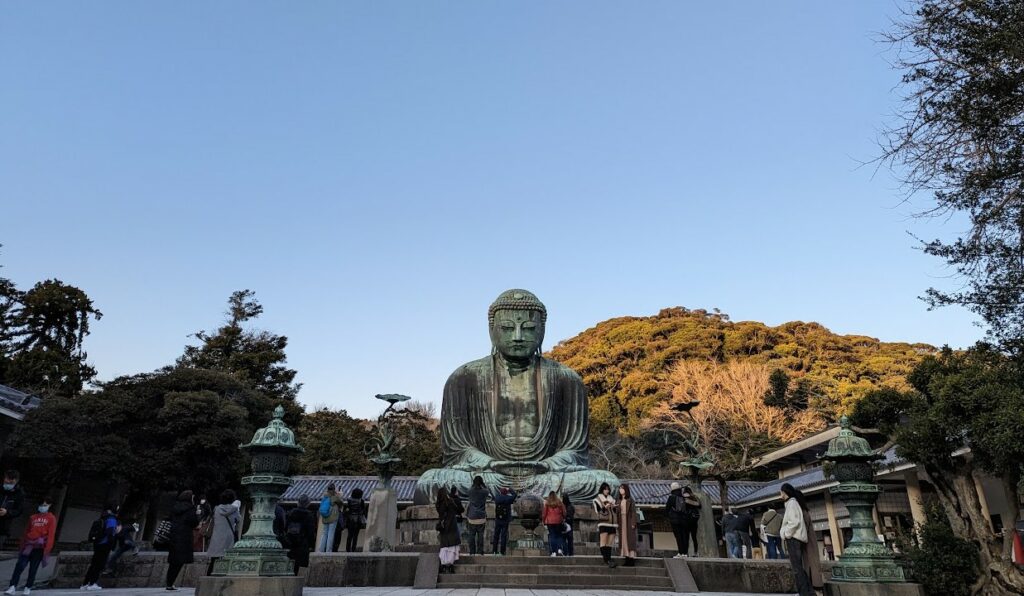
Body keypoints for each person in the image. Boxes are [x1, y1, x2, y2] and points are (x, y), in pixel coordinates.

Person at [5, 495, 56, 595]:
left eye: (45, 505)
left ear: (49, 505)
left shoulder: (51, 518)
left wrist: (47, 549)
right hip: (28, 545)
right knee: (19, 566)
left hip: (39, 548)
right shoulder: (33, 517)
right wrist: (22, 545)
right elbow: (26, 531)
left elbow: (51, 534)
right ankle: (12, 586)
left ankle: (28, 587)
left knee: (33, 568)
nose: (42, 507)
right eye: (41, 504)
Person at [780, 483, 814, 596]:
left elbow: (794, 522)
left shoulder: (792, 503)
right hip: (796, 538)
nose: (780, 495)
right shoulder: (793, 503)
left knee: (797, 568)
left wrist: (786, 534)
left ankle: (804, 592)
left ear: (785, 492)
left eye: (781, 492)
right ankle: (808, 592)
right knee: (798, 567)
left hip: (794, 539)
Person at [80, 503, 118, 591]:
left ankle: (85, 583)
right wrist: (112, 545)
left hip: (97, 543)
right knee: (100, 564)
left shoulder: (102, 517)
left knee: (94, 564)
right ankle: (92, 583)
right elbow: (110, 532)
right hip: (105, 544)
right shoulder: (111, 519)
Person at [166, 492, 199, 590]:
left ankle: (169, 582)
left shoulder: (175, 507)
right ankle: (170, 583)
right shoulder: (191, 508)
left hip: (174, 534)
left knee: (173, 561)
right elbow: (194, 522)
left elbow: (170, 518)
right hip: (184, 536)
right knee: (180, 561)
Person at [206, 490, 242, 574]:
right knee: (228, 559)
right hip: (229, 537)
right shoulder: (234, 509)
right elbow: (238, 520)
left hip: (217, 536)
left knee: (214, 560)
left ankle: (209, 577)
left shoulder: (217, 509)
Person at [284, 495, 315, 576]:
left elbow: (285, 527)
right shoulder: (309, 516)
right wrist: (311, 545)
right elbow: (311, 532)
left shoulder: (290, 513)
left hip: (289, 541)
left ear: (298, 502)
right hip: (302, 542)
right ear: (308, 504)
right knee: (297, 565)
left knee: (289, 562)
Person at [436, 487, 463, 574]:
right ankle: (450, 565)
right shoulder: (450, 502)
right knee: (452, 546)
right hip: (451, 526)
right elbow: (458, 509)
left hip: (443, 527)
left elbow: (441, 515)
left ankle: (443, 565)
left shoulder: (438, 504)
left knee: (444, 547)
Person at [593, 482, 617, 568]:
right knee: (603, 542)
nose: (607, 491)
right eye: (605, 489)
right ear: (602, 490)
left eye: (608, 489)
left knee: (609, 543)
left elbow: (615, 512)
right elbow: (597, 512)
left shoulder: (612, 499)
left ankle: (609, 559)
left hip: (613, 524)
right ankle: (606, 560)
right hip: (603, 523)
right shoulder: (597, 499)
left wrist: (614, 507)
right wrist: (604, 507)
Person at [317, 483, 344, 553]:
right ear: (334, 489)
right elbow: (341, 503)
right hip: (333, 518)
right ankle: (328, 551)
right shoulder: (334, 497)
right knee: (330, 534)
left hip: (325, 517)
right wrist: (338, 495)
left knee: (324, 534)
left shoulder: (324, 497)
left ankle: (321, 550)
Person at [0, 471, 25, 545]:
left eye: (10, 483)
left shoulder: (19, 494)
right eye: (6, 481)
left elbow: (19, 510)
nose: (7, 483)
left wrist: (7, 512)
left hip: (3, 528)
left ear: (16, 481)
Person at [616, 483, 639, 567]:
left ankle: (631, 559)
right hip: (621, 521)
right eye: (620, 488)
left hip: (628, 520)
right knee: (623, 539)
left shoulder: (630, 500)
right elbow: (616, 512)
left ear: (626, 490)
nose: (620, 490)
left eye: (622, 488)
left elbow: (633, 512)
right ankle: (626, 558)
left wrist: (633, 523)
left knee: (630, 539)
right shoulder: (618, 500)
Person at [465, 476, 488, 556]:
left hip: (472, 516)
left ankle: (472, 552)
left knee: (471, 535)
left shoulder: (470, 491)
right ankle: (480, 551)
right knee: (480, 535)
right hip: (481, 516)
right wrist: (483, 485)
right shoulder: (485, 492)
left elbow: (469, 490)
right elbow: (487, 490)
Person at [491, 487, 516, 556]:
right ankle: (502, 551)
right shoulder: (508, 498)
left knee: (496, 535)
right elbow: (515, 495)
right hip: (505, 519)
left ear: (500, 492)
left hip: (498, 519)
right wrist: (510, 489)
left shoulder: (497, 497)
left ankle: (494, 551)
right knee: (503, 536)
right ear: (506, 492)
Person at [542, 491, 566, 557]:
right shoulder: (559, 502)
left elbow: (544, 513)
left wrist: (543, 521)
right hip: (558, 521)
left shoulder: (547, 503)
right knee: (559, 536)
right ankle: (559, 549)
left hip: (550, 522)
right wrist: (563, 518)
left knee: (552, 536)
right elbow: (564, 512)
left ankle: (553, 552)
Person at [342, 488, 366, 553]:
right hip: (358, 520)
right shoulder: (361, 501)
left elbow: (346, 509)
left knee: (349, 535)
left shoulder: (349, 500)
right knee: (356, 535)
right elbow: (363, 510)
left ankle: (347, 549)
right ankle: (353, 549)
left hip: (350, 519)